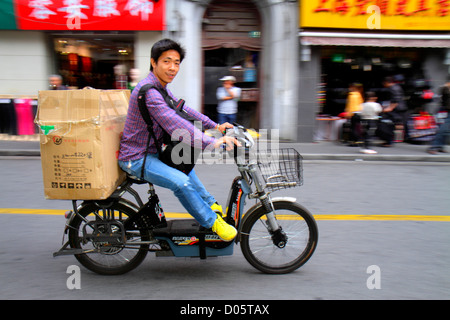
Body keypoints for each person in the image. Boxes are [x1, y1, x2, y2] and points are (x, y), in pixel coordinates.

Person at [118, 39, 239, 241]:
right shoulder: (149, 93)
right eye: (167, 61)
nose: (173, 68)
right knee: (181, 183)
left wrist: (215, 126)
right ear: (153, 62)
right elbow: (175, 123)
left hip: (151, 153)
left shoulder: (159, 88)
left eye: (176, 63)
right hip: (136, 158)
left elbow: (183, 109)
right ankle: (212, 222)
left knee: (184, 166)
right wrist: (211, 142)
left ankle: (208, 203)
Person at [381, 76, 407, 146]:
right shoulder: (397, 87)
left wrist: (389, 108)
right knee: (395, 124)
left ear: (386, 82)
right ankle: (392, 140)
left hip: (397, 109)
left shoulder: (393, 88)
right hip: (400, 108)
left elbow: (395, 99)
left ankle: (389, 141)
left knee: (388, 124)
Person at [427, 78, 450, 154]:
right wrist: (446, 86)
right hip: (445, 111)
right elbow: (444, 98)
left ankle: (440, 146)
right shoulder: (445, 89)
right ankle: (433, 147)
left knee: (446, 131)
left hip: (447, 111)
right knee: (442, 129)